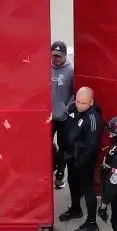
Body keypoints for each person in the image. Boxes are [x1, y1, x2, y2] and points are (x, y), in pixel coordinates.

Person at [59, 86, 105, 231]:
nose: (79, 105)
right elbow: (67, 129)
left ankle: (92, 223)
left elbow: (92, 145)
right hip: (71, 156)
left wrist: (82, 160)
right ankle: (75, 209)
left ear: (91, 102)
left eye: (83, 103)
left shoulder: (93, 118)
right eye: (78, 101)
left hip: (84, 160)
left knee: (87, 189)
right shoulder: (73, 108)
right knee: (72, 181)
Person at [50, 41, 74, 189]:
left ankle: (60, 174)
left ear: (65, 55)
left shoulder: (71, 71)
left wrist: (67, 108)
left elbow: (74, 93)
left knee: (63, 146)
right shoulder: (46, 67)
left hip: (63, 117)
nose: (56, 59)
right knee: (45, 143)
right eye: (54, 56)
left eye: (59, 56)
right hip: (48, 116)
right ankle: (50, 165)